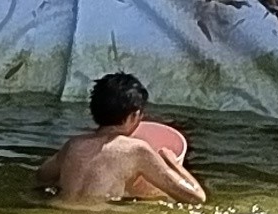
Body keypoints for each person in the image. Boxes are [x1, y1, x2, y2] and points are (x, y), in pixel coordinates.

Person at [36, 73, 207, 206]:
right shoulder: (137, 150)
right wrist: (174, 164)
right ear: (134, 115)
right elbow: (196, 198)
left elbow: (42, 175)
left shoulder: (73, 145)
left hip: (58, 212)